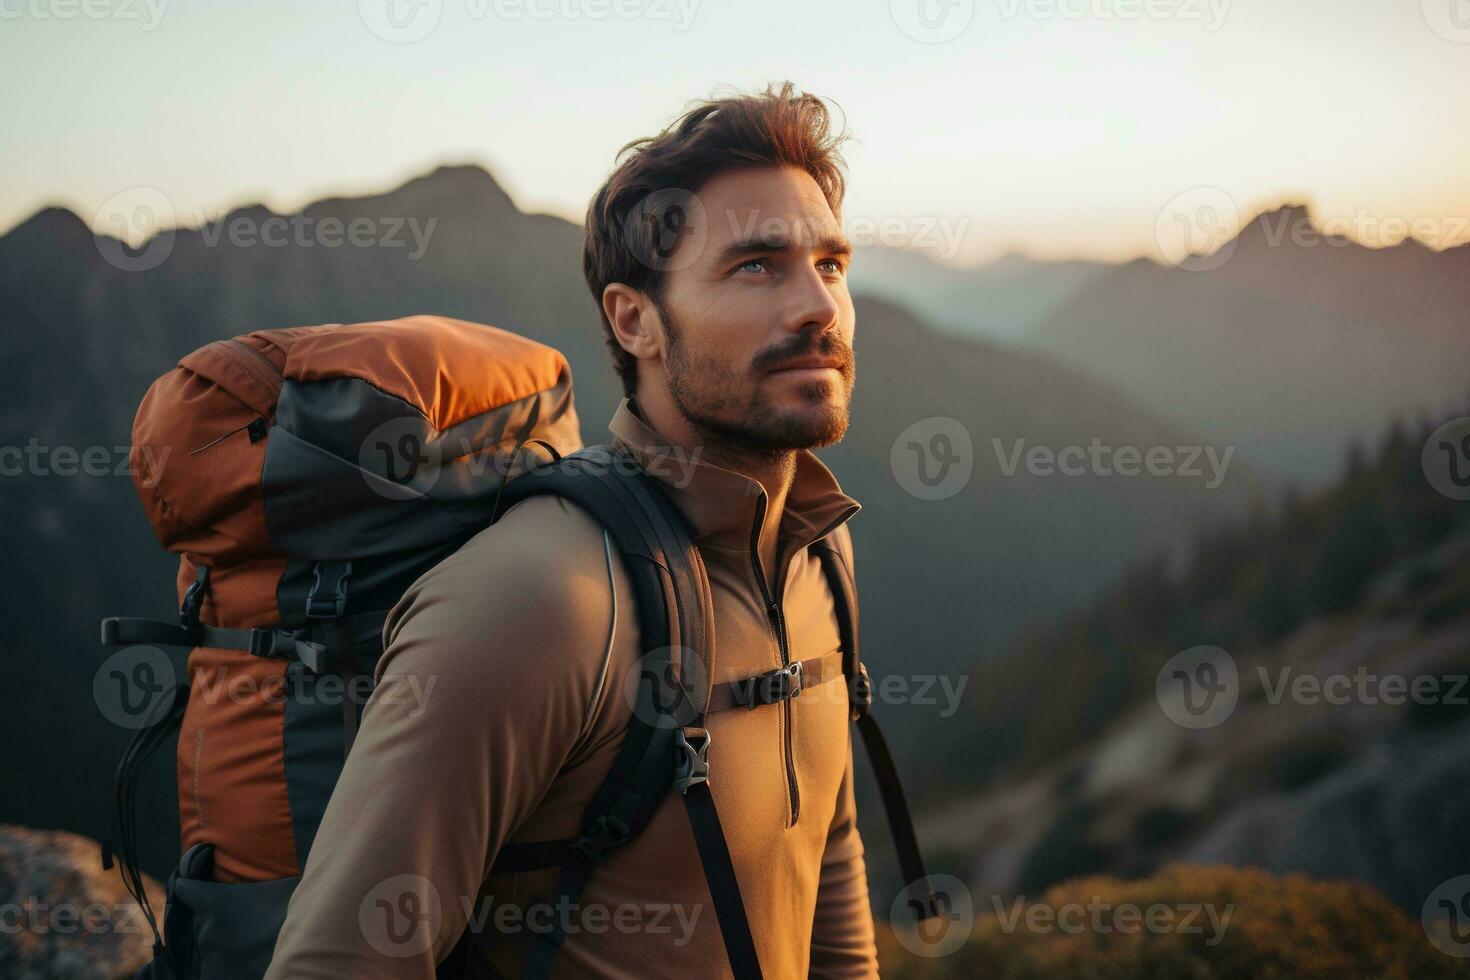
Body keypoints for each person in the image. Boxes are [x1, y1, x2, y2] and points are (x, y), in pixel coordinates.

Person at [265, 80, 874, 979]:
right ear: (635, 321)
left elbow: (827, 858)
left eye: (830, 263)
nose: (819, 306)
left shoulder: (815, 549)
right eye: (756, 266)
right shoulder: (540, 601)